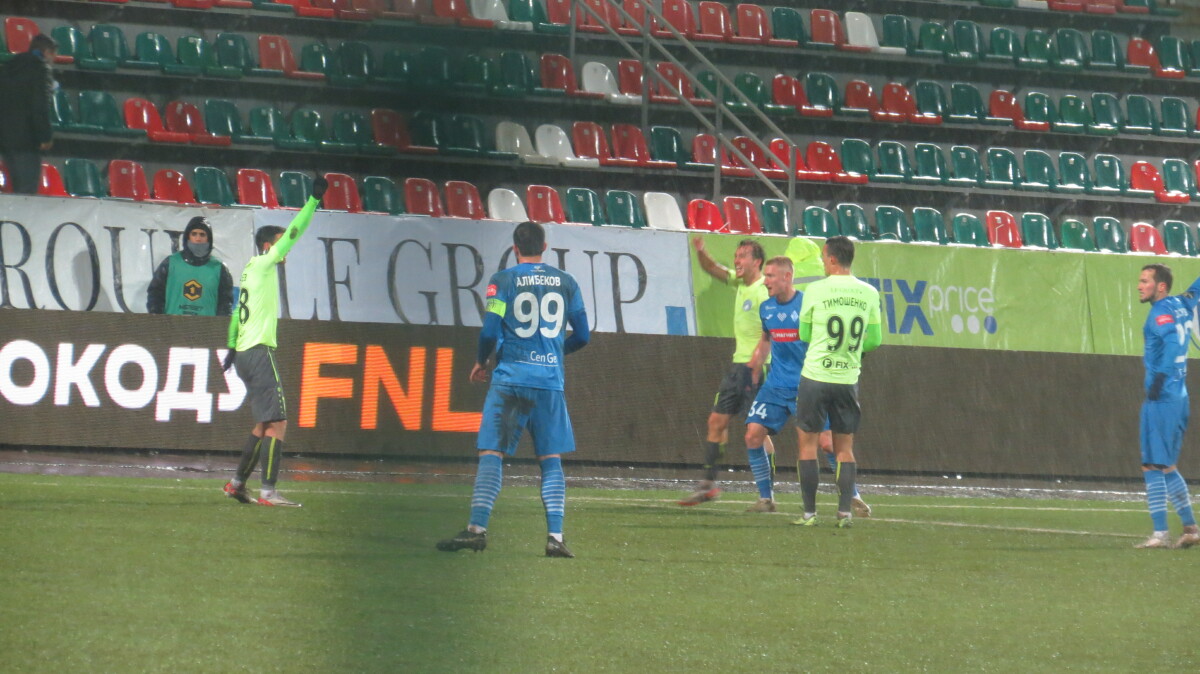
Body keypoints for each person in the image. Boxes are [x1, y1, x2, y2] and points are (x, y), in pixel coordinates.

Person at [437, 220, 590, 558]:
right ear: (544, 246)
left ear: (515, 248)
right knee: (550, 458)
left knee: (492, 453)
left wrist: (481, 361)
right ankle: (556, 537)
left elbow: (490, 331)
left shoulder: (502, 281)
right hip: (549, 382)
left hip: (511, 379)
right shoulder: (567, 282)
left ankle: (477, 530)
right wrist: (554, 353)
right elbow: (582, 335)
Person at [221, 176, 327, 508]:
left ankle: (237, 484)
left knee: (264, 423)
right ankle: (268, 492)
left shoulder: (250, 270)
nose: (286, 250)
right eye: (280, 244)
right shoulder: (266, 263)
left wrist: (231, 347)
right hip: (258, 351)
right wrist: (313, 201)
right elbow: (296, 230)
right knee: (279, 422)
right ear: (268, 246)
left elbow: (237, 313)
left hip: (244, 353)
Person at [679, 237, 775, 507]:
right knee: (716, 422)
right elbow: (712, 268)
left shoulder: (763, 291)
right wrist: (701, 250)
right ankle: (708, 486)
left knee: (757, 432)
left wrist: (756, 363)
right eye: (736, 256)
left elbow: (770, 334)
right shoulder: (740, 283)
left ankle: (767, 494)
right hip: (737, 368)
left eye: (743, 256)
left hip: (756, 368)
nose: (737, 260)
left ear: (757, 262)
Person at [793, 236, 881, 529]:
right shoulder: (869, 292)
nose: (822, 261)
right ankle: (844, 513)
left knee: (808, 446)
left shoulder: (815, 290)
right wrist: (851, 353)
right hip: (847, 379)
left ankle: (809, 513)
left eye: (823, 257)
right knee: (844, 448)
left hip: (816, 376)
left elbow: (804, 334)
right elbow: (874, 340)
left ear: (831, 259)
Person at [1133, 264, 1200, 549]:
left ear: (1160, 286)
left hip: (1162, 396)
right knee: (1167, 465)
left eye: (1144, 281)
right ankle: (1191, 528)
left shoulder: (1160, 313)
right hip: (1179, 395)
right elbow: (1196, 290)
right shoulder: (1182, 302)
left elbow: (1172, 342)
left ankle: (1160, 533)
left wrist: (1159, 378)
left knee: (1152, 464)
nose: (1139, 286)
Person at [0, 34, 57, 195]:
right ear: (46, 52)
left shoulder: (9, 66)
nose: (54, 59)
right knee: (27, 193)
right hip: (27, 140)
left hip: (5, 138)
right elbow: (39, 106)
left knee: (15, 191)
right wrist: (45, 137)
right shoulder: (40, 69)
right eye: (53, 54)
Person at [146, 216, 235, 316]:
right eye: (194, 234)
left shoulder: (219, 268)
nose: (198, 238)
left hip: (207, 325)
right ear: (188, 236)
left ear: (209, 238)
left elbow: (225, 303)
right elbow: (155, 294)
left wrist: (221, 323)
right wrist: (157, 318)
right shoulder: (170, 263)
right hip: (172, 324)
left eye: (202, 234)